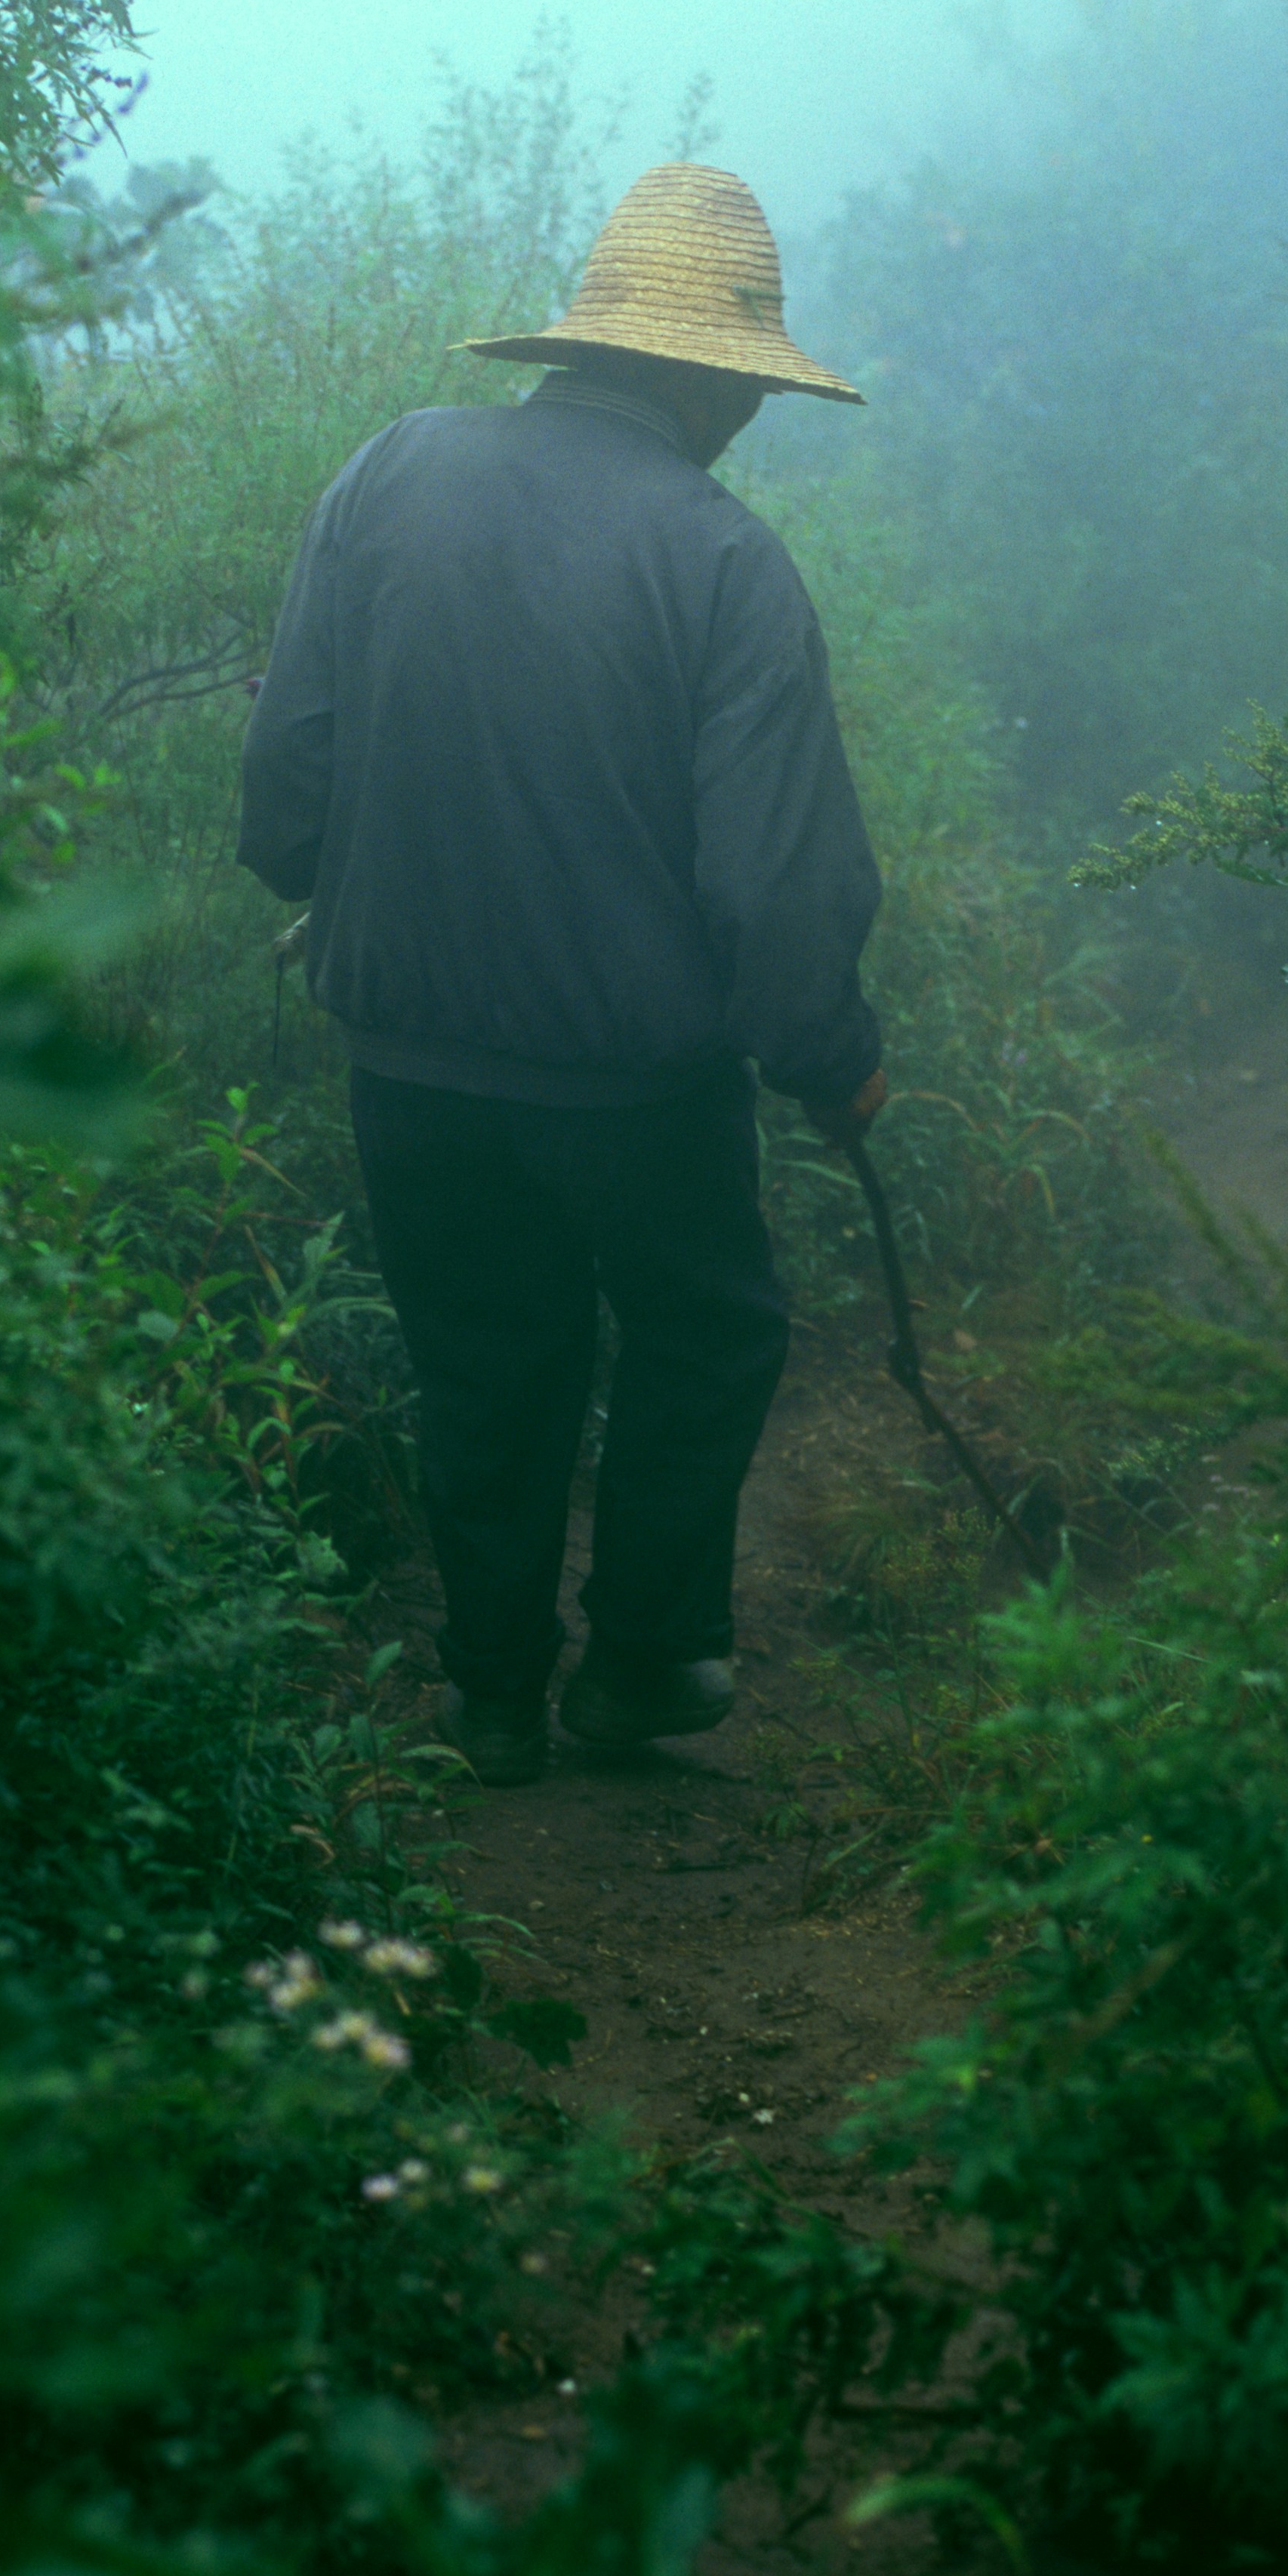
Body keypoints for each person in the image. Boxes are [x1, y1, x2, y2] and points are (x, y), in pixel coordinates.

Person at [238, 161, 889, 1786]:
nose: (747, 417)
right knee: (708, 1330)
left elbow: (282, 797)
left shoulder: (388, 475)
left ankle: (492, 1697)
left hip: (409, 1074)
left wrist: (344, 899)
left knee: (483, 1363)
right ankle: (648, 1661)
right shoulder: (725, 564)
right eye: (743, 384)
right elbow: (772, 889)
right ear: (705, 375)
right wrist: (833, 1060)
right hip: (637, 1095)